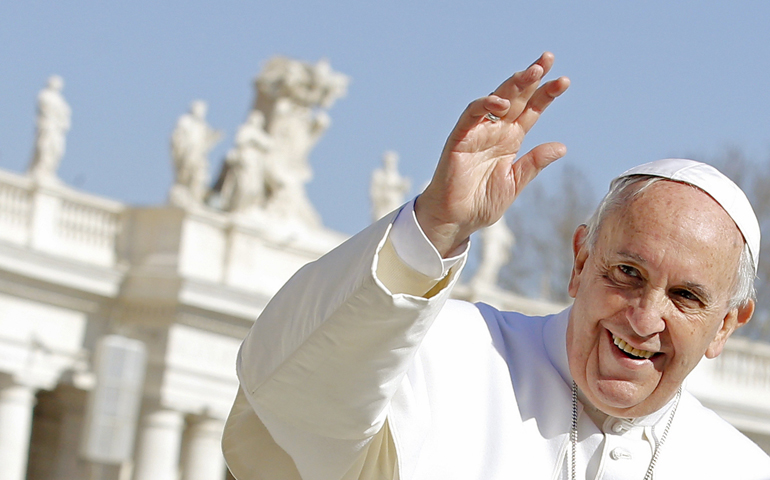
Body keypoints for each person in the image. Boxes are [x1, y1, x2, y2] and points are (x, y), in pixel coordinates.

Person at [222, 53, 770, 479]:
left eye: (686, 297)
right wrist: (433, 227)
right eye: (628, 273)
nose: (644, 319)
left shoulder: (743, 469)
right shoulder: (445, 355)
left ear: (725, 324)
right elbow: (293, 403)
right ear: (580, 261)